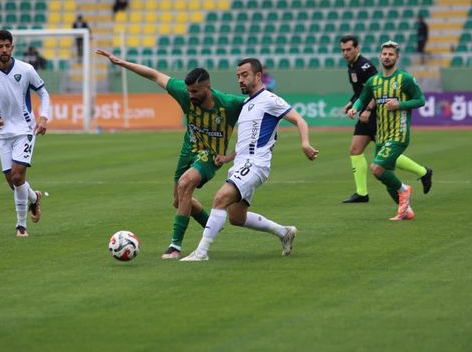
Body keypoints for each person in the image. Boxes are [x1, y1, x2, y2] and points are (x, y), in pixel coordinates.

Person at [96, 49, 246, 259]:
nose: (190, 95)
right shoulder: (184, 92)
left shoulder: (229, 104)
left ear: (207, 88)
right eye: (189, 91)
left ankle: (175, 246)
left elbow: (261, 104)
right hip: (188, 150)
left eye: (195, 91)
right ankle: (211, 224)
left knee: (186, 184)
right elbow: (155, 75)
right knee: (179, 201)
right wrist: (121, 63)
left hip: (211, 155)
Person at [181, 58, 319, 262]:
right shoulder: (246, 104)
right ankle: (284, 232)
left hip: (256, 164)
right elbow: (248, 142)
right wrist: (228, 158)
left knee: (220, 198)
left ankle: (201, 252)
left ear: (258, 76)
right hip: (242, 164)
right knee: (237, 217)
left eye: (244, 75)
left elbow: (299, 119)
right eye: (238, 76)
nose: (240, 80)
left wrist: (305, 143)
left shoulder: (270, 100)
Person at [339, 35, 432, 204]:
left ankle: (415, 179)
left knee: (381, 162)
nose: (345, 53)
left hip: (383, 119)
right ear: (380, 56)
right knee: (360, 151)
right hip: (373, 119)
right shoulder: (359, 71)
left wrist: (370, 109)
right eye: (343, 50)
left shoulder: (368, 67)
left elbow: (416, 99)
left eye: (348, 49)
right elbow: (364, 92)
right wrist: (353, 106)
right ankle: (365, 194)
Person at [0, 30, 50, 238]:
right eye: (0, 46)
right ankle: (34, 198)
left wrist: (43, 117)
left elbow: (43, 93)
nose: (4, 50)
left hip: (25, 129)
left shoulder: (26, 69)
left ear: (12, 47)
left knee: (18, 176)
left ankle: (21, 226)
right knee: (12, 182)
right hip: (3, 132)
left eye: (7, 45)